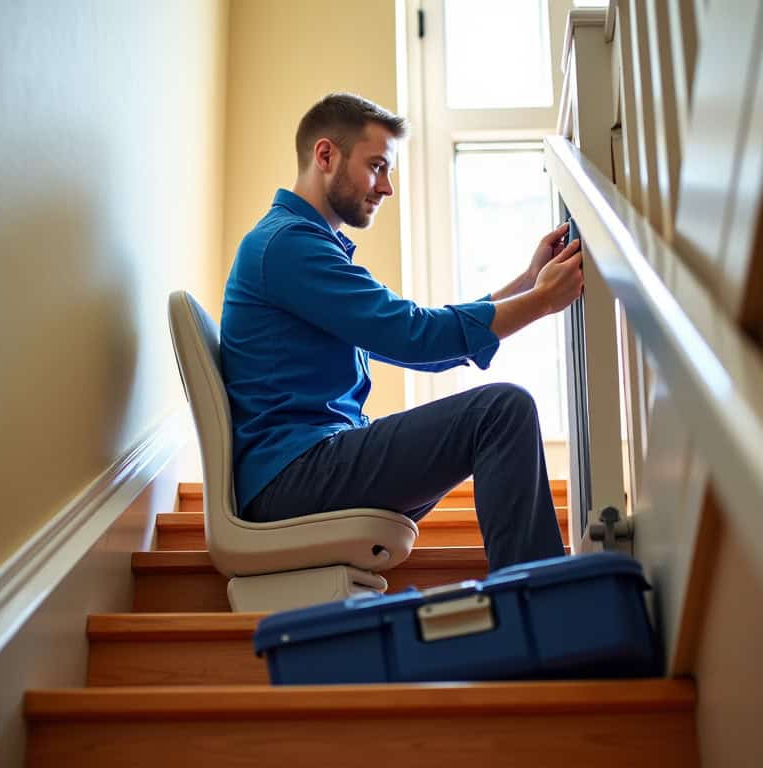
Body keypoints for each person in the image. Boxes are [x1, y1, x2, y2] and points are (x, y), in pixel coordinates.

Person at [220, 93, 583, 571]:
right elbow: (415, 336)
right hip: (293, 475)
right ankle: (541, 602)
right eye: (377, 166)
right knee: (500, 412)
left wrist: (528, 284)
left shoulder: (298, 245)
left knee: (491, 416)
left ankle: (535, 594)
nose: (386, 187)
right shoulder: (288, 246)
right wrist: (540, 302)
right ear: (325, 155)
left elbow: (419, 341)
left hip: (302, 469)